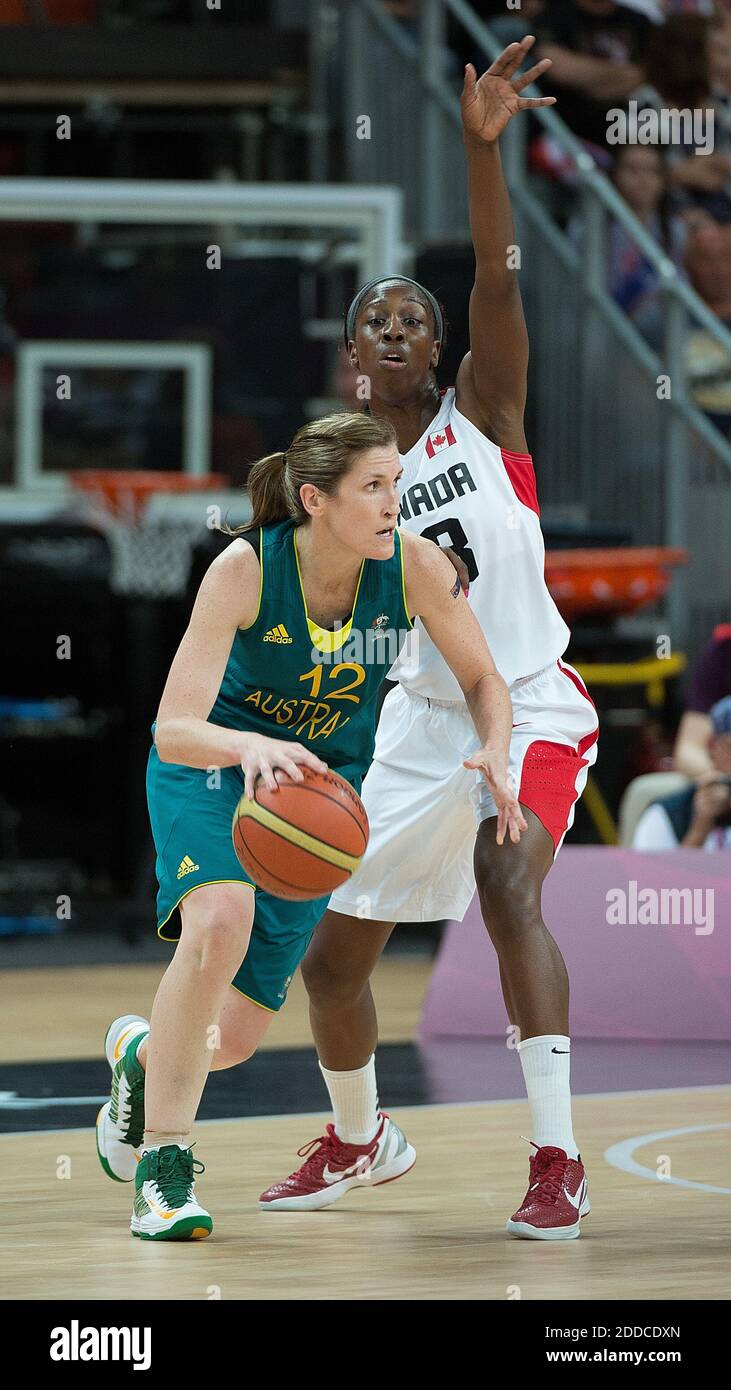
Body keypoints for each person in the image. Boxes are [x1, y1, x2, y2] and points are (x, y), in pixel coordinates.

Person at [260, 38, 600, 1242]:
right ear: (354, 360)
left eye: (415, 315)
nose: (399, 327)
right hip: (416, 726)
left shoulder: (483, 420)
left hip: (525, 699)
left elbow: (498, 282)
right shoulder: (341, 485)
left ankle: (555, 1157)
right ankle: (361, 1139)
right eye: (377, 321)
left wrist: (476, 147)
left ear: (437, 346)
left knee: (510, 884)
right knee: (328, 961)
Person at [95, 410, 525, 1240]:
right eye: (372, 486)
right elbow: (171, 729)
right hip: (215, 772)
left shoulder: (414, 567)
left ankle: (139, 1061)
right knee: (220, 915)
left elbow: (481, 677)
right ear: (313, 499)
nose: (393, 500)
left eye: (396, 482)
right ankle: (165, 1167)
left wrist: (497, 748)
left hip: (316, 808)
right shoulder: (246, 568)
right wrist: (252, 744)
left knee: (234, 1039)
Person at [633, 695, 731, 848]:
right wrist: (700, 828)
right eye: (730, 748)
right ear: (712, 745)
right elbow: (649, 871)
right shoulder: (669, 813)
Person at [673, 623, 731, 776]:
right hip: (723, 780)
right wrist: (720, 781)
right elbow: (689, 750)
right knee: (644, 790)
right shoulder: (723, 651)